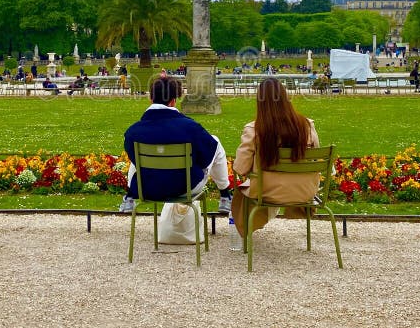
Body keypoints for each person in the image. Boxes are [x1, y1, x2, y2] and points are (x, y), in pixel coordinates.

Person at [119, 77, 232, 213]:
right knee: (215, 142)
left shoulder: (133, 132)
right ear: (173, 101)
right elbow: (205, 157)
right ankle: (225, 195)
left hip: (147, 188)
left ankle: (129, 198)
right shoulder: (190, 128)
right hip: (185, 188)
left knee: (138, 156)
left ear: (151, 98)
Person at [230, 78, 321, 236]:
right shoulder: (306, 125)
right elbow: (316, 157)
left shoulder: (254, 129)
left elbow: (240, 168)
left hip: (267, 193)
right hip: (303, 192)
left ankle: (246, 232)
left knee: (242, 194)